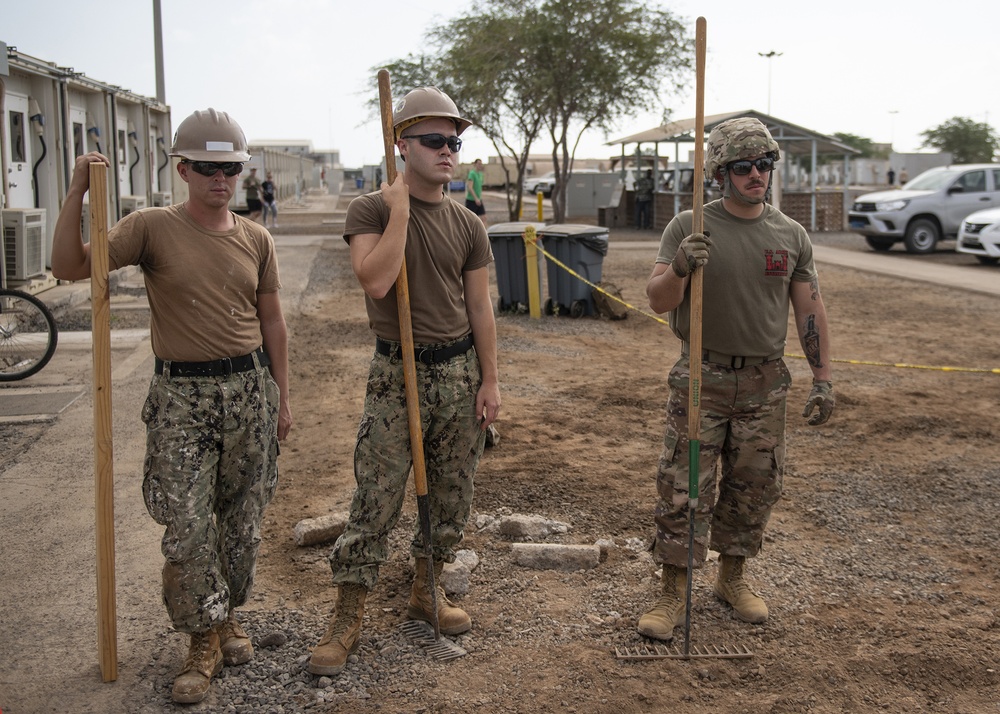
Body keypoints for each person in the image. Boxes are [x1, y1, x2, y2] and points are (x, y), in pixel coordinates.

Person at [51, 108, 293, 704]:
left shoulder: (256, 237)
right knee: (186, 526)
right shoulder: (152, 227)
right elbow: (68, 266)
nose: (221, 179)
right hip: (182, 398)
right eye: (208, 167)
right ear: (183, 169)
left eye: (231, 168)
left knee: (241, 523)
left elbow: (273, 323)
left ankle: (227, 615)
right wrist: (80, 189)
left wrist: (281, 400)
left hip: (249, 393)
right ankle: (200, 640)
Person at [308, 86, 501, 676]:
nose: (448, 151)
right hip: (400, 371)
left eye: (455, 141)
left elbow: (480, 307)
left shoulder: (469, 223)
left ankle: (427, 588)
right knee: (377, 494)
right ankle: (348, 614)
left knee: (450, 494)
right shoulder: (370, 210)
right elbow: (374, 280)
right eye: (434, 140)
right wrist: (398, 211)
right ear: (402, 144)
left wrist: (490, 380)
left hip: (457, 369)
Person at [640, 117, 834, 641]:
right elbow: (658, 301)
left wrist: (823, 378)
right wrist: (680, 266)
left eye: (765, 165)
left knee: (754, 485)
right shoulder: (688, 226)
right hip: (702, 377)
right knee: (686, 482)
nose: (757, 175)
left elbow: (809, 310)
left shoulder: (791, 235)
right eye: (744, 167)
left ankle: (732, 579)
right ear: (721, 173)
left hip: (764, 383)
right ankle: (672, 588)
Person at [465, 158, 488, 227]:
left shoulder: (480, 174)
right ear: (475, 164)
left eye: (481, 164)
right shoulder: (472, 174)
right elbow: (470, 187)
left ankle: (485, 235)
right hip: (471, 200)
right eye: (478, 164)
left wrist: (479, 198)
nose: (480, 165)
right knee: (471, 220)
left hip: (479, 199)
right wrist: (476, 199)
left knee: (483, 218)